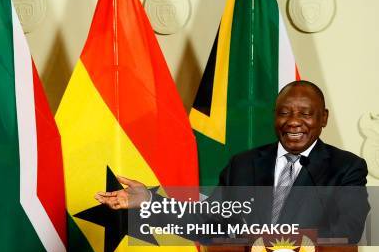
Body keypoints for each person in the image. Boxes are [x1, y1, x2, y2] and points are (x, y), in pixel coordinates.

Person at [95, 80, 370, 243]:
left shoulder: (346, 168)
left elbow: (347, 232)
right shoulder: (244, 165)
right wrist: (149, 201)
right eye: (284, 113)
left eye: (306, 114)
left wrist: (281, 249)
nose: (294, 122)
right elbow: (207, 221)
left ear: (323, 118)